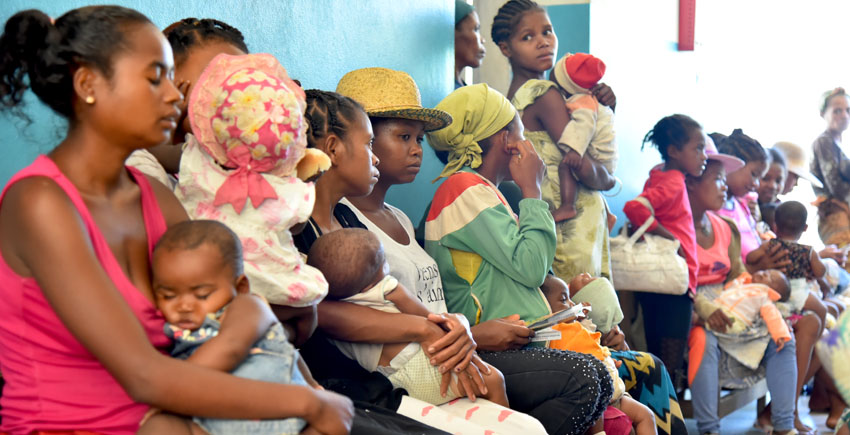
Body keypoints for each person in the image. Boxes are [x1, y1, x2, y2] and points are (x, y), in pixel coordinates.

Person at [0, 6, 352, 433]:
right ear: (88, 83)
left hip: (179, 419)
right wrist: (307, 403)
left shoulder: (157, 201)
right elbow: (142, 375)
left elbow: (228, 314)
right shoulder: (38, 201)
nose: (175, 96)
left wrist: (306, 387)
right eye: (155, 77)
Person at [292, 85, 554, 435]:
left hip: (418, 356)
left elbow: (396, 292)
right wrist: (429, 327)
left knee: (528, 426)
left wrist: (453, 325)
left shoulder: (350, 220)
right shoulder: (298, 227)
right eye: (372, 143)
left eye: (418, 139)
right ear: (334, 149)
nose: (377, 158)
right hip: (364, 383)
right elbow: (319, 311)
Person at [173, 52, 328, 347]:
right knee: (301, 324)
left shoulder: (198, 165)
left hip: (216, 290)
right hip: (274, 286)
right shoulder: (288, 191)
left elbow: (184, 148)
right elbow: (295, 227)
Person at [144, 220, 312, 434]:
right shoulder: (175, 330)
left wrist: (168, 396)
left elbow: (234, 348)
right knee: (158, 428)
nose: (184, 306)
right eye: (168, 296)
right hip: (216, 425)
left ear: (240, 287)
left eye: (202, 295)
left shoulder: (248, 306)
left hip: (276, 418)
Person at [307, 228, 508, 407]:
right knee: (494, 380)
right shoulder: (387, 288)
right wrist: (454, 324)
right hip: (423, 365)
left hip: (391, 381)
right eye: (384, 262)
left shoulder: (333, 305)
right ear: (371, 282)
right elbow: (428, 317)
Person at [495, 0, 618, 283]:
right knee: (588, 310)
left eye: (547, 32)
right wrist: (611, 180)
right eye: (528, 37)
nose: (543, 42)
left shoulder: (515, 96)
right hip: (573, 226)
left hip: (552, 221)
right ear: (505, 47)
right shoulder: (544, 93)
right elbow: (583, 165)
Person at [685, 157, 798, 435]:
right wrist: (703, 311)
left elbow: (736, 275)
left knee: (783, 336)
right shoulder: (679, 229)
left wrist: (755, 300)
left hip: (730, 300)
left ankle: (784, 425)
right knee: (702, 338)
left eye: (725, 179)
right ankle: (709, 428)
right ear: (691, 183)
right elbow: (680, 286)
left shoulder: (726, 227)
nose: (724, 187)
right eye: (717, 180)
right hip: (691, 305)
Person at [622, 114, 707, 382]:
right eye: (698, 148)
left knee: (658, 359)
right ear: (674, 151)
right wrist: (673, 241)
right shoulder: (672, 180)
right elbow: (634, 207)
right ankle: (666, 422)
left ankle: (660, 420)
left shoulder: (660, 175)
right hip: (672, 287)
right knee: (668, 367)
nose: (704, 155)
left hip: (661, 283)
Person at [126, 18, 249, 187]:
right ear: (168, 81)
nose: (235, 94)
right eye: (215, 78)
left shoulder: (257, 153)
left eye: (245, 81)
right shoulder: (135, 163)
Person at [543, 281, 658, 435]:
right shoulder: (554, 334)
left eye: (570, 299)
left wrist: (609, 361)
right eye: (564, 300)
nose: (571, 304)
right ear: (545, 308)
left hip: (613, 389)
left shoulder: (579, 326)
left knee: (647, 415)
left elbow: (597, 348)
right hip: (594, 393)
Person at [549, 52, 617, 224]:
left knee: (567, 166)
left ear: (566, 87)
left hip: (601, 158)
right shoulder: (589, 99)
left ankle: (567, 206)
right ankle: (608, 214)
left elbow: (583, 126)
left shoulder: (582, 102)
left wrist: (574, 150)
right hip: (606, 160)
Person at [715, 129, 771, 262]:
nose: (756, 184)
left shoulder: (741, 205)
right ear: (733, 164)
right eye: (754, 174)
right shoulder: (715, 209)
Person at [700, 269, 793, 347]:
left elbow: (774, 317)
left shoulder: (764, 298)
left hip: (737, 318)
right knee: (707, 303)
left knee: (731, 325)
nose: (765, 274)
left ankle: (702, 322)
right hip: (719, 306)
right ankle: (703, 318)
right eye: (766, 271)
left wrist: (780, 334)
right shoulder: (742, 281)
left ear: (774, 292)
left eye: (772, 279)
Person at [812, 88, 850, 258]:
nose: (844, 115)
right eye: (837, 111)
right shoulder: (823, 142)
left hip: (843, 212)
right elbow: (835, 186)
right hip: (835, 216)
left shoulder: (839, 144)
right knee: (845, 262)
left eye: (848, 110)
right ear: (822, 113)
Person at [761, 201, 827, 281]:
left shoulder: (769, 244)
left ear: (775, 226)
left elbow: (750, 257)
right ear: (805, 228)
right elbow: (820, 273)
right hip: (798, 291)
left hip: (773, 285)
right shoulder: (808, 251)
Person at [454, 0, 485, 89]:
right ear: (452, 34)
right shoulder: (446, 94)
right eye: (475, 29)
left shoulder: (463, 89)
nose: (483, 40)